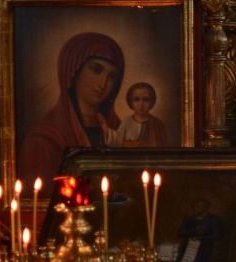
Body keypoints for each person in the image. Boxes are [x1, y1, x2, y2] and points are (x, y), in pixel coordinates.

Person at [19, 32, 126, 190]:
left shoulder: (118, 130)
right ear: (74, 71)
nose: (103, 83)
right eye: (96, 70)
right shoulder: (45, 138)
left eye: (112, 77)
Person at [116, 81, 169, 148]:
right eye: (136, 99)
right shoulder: (126, 122)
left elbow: (163, 148)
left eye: (146, 100)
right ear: (130, 102)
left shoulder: (158, 124)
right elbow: (118, 143)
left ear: (152, 101)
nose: (141, 104)